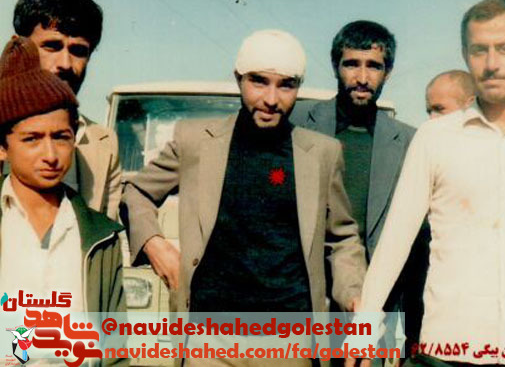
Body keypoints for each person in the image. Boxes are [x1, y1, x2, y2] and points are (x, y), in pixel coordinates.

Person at [355, 0, 505, 367]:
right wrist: (363, 331)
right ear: (466, 56)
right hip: (446, 353)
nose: (492, 63)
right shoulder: (434, 138)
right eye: (479, 50)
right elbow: (394, 242)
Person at [122, 29, 367, 366]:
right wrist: (155, 245)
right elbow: (136, 192)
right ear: (238, 78)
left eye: (286, 85)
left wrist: (355, 296)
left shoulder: (322, 153)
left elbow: (341, 237)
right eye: (259, 82)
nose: (271, 99)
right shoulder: (196, 141)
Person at [291, 20, 430, 359]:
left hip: (372, 312)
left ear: (388, 71)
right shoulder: (296, 122)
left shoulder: (410, 142)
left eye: (374, 66)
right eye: (352, 64)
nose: (363, 77)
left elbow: (418, 243)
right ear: (335, 66)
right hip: (300, 302)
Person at [0, 36, 125, 322]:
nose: (50, 155)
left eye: (60, 137)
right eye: (32, 139)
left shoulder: (102, 236)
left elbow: (114, 339)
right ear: (3, 147)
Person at [11, 0, 121, 219]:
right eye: (52, 46)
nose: (65, 64)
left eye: (78, 51)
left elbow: (109, 234)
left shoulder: (103, 143)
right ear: (20, 48)